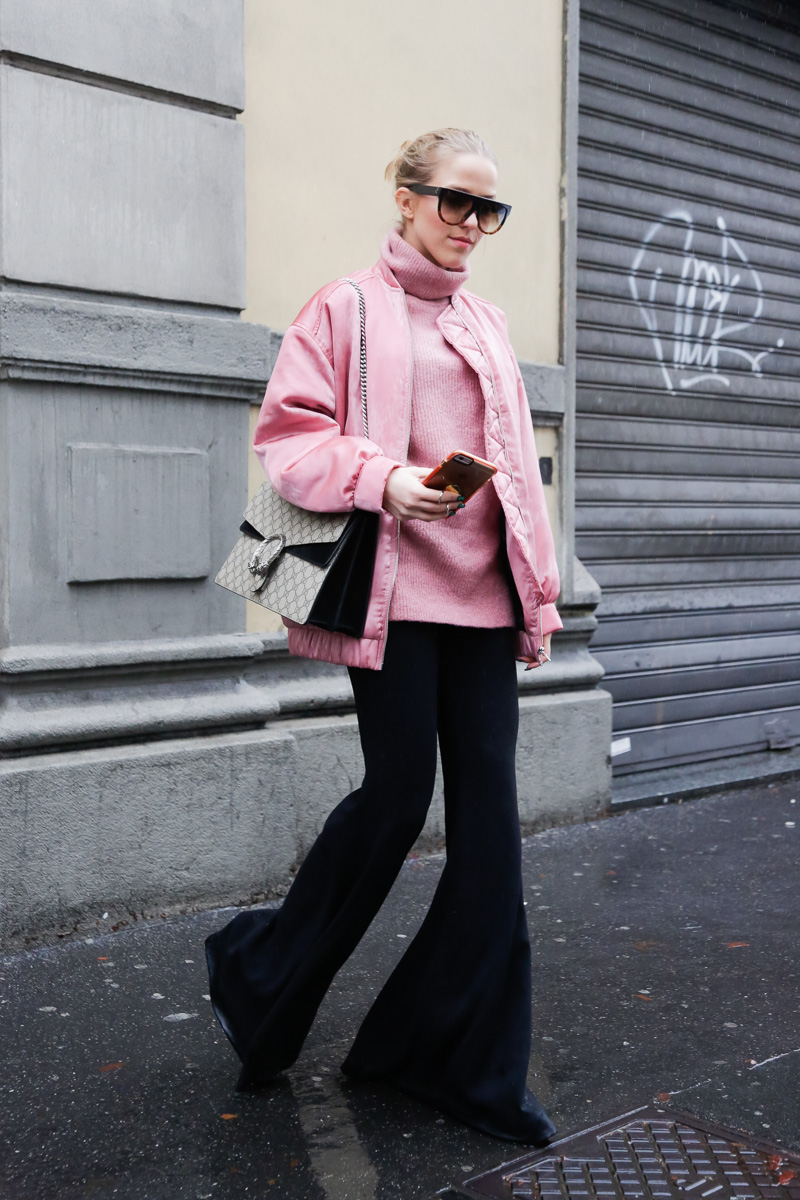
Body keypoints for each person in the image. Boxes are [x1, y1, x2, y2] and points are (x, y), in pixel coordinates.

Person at [205, 128, 562, 1144]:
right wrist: (383, 479)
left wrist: (537, 598)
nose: (471, 225)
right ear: (404, 197)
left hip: (483, 601)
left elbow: (516, 479)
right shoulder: (345, 307)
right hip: (393, 598)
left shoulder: (487, 324)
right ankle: (261, 973)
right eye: (455, 202)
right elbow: (288, 441)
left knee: (490, 829)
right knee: (398, 800)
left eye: (489, 210)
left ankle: (450, 1058)